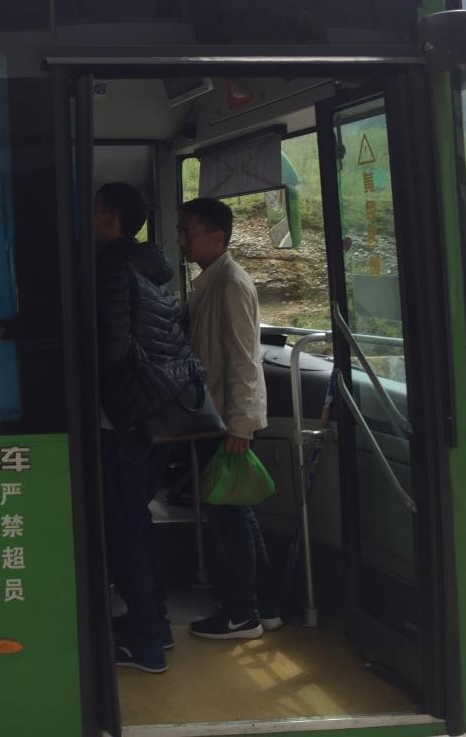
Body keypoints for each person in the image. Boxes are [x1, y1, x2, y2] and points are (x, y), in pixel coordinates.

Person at [95, 182, 204, 674]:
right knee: (134, 521)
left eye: (94, 213)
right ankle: (153, 625)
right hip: (156, 413)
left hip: (125, 418)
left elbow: (113, 346)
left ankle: (145, 644)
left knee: (123, 527)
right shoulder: (150, 268)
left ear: (110, 220)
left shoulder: (111, 267)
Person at [177, 196, 277, 640]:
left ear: (217, 236)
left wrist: (241, 424)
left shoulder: (231, 284)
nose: (182, 240)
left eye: (189, 232)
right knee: (238, 515)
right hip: (218, 415)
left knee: (228, 520)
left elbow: (244, 360)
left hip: (225, 420)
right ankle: (264, 607)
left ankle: (241, 615)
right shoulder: (211, 281)